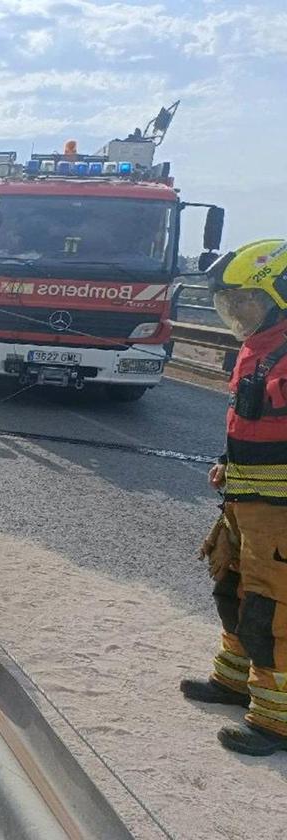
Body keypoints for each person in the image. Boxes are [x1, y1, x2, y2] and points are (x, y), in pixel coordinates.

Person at [180, 239, 287, 756]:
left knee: (275, 607)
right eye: (230, 302)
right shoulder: (260, 346)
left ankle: (276, 722)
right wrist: (230, 463)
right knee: (233, 585)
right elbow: (253, 420)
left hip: (280, 511)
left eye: (245, 300)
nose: (236, 312)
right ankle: (234, 680)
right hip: (246, 496)